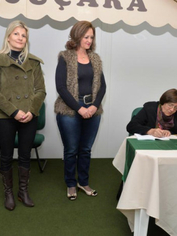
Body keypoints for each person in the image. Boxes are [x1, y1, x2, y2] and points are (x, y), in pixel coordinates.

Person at [0, 20, 46, 211]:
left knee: (25, 155)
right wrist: (14, 111)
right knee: (6, 156)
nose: (20, 38)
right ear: (8, 36)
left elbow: (41, 91)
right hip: (5, 117)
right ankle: (9, 193)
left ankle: (23, 191)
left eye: (24, 35)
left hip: (29, 116)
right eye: (16, 34)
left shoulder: (34, 62)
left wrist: (30, 111)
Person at [55, 21, 106, 201]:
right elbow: (61, 87)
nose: (89, 40)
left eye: (91, 37)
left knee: (85, 149)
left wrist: (93, 106)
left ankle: (83, 182)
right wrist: (79, 109)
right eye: (86, 37)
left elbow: (102, 86)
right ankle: (70, 183)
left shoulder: (96, 59)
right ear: (76, 36)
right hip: (70, 110)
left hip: (92, 109)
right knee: (71, 150)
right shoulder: (65, 57)